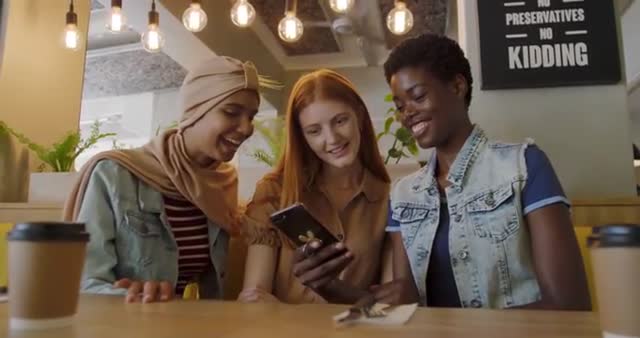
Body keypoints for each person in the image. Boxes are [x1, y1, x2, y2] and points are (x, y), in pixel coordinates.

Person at [377, 33, 591, 310]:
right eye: (399, 106)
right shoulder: (403, 194)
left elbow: (569, 305)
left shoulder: (524, 166)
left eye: (418, 96)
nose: (407, 113)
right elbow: (407, 302)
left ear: (457, 86)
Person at [63, 56, 260, 303]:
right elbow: (84, 281)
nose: (246, 128)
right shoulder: (114, 174)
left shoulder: (223, 185)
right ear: (194, 110)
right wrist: (133, 296)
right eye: (231, 112)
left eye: (251, 117)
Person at [238, 69, 393, 304]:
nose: (332, 139)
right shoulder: (274, 192)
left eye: (340, 121)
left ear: (359, 116)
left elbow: (391, 302)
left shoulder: (389, 198)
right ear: (303, 137)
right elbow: (255, 295)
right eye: (314, 131)